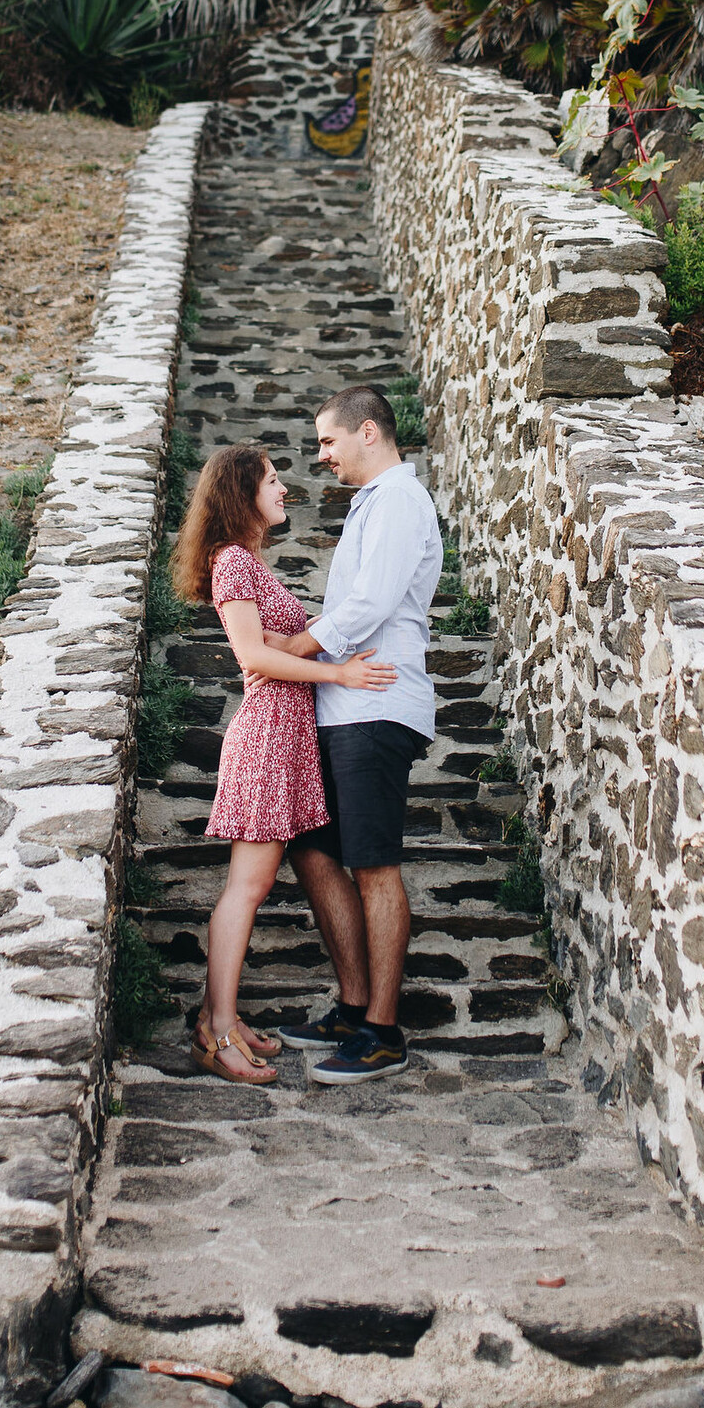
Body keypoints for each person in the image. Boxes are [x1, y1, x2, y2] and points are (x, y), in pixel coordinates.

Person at [169, 441, 395, 1085]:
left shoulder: (248, 564)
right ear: (242, 492)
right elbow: (255, 659)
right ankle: (215, 1033)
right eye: (271, 479)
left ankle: (226, 1020)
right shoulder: (235, 562)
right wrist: (344, 675)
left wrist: (320, 635)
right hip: (269, 736)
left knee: (253, 885)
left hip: (285, 737)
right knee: (248, 887)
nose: (284, 488)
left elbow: (275, 642)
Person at [282, 384, 443, 1085]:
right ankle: (351, 1008)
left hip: (378, 704)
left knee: (373, 864)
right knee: (314, 851)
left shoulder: (402, 501)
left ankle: (382, 1030)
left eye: (327, 441)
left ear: (368, 432)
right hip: (345, 705)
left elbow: (371, 603)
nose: (321, 456)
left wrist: (293, 649)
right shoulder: (373, 505)